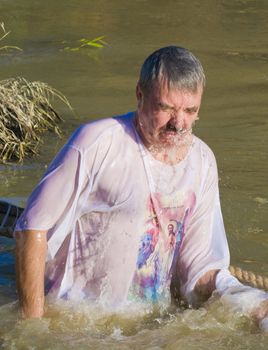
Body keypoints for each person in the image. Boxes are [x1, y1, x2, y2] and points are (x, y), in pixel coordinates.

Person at [15, 46, 268, 329]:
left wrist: (250, 303)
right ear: (140, 95)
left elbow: (198, 269)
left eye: (190, 110)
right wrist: (32, 327)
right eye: (166, 108)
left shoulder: (203, 161)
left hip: (147, 323)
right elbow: (31, 227)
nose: (179, 123)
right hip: (74, 316)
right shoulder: (97, 143)